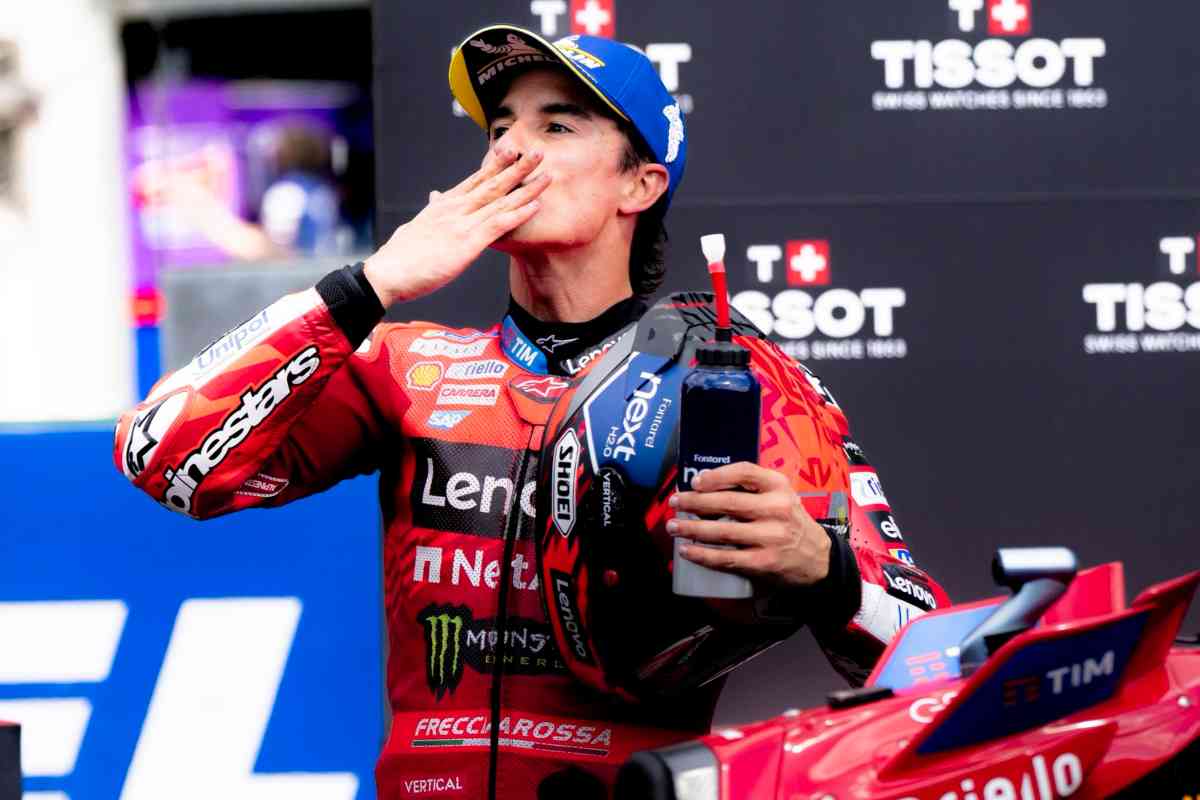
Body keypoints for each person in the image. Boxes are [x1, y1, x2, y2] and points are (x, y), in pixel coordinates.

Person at [114, 25, 948, 800]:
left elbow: (932, 656)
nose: (512, 148)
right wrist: (367, 285)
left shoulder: (728, 379)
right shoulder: (409, 367)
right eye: (499, 128)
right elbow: (162, 458)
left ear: (640, 184)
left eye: (556, 125)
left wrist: (825, 570)